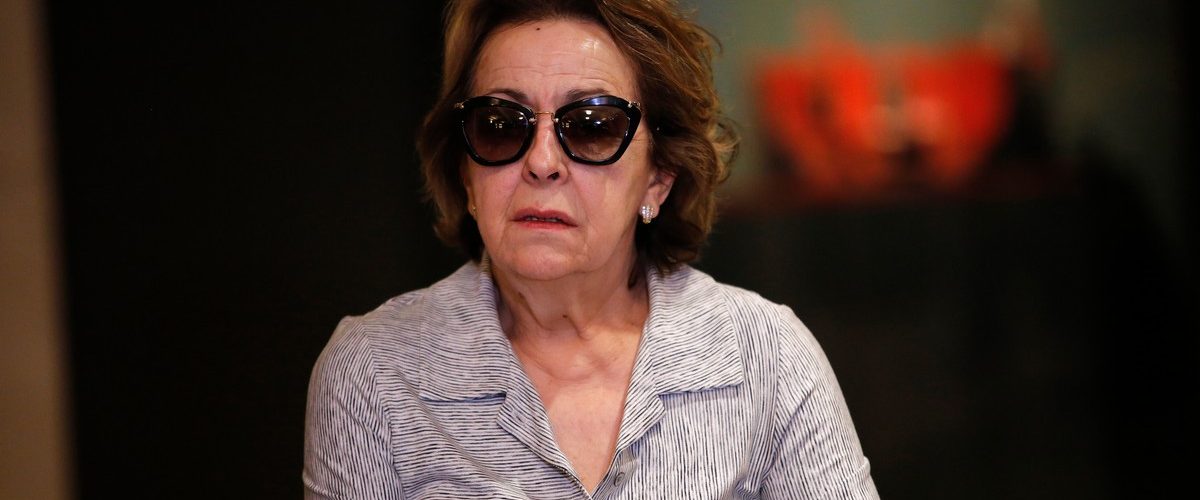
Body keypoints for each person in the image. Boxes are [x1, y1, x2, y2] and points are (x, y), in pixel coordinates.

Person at [304, 0, 879, 498]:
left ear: (659, 177)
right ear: (464, 171)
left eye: (592, 126)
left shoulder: (766, 357)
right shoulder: (375, 373)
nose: (541, 162)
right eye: (501, 125)